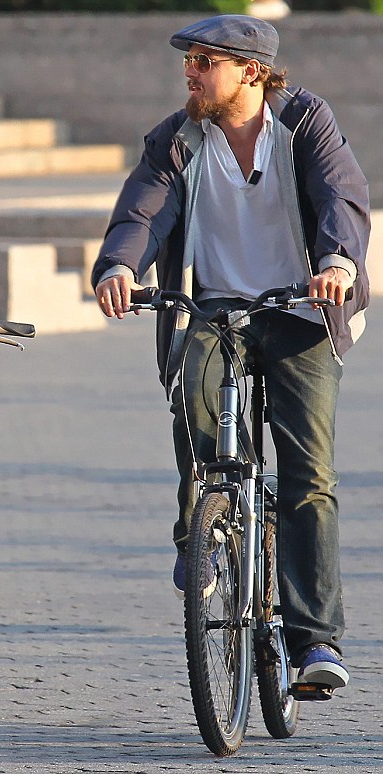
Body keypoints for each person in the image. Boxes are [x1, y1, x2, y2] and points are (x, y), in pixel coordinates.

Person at [92, 15, 370, 691]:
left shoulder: (305, 122)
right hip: (215, 309)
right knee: (192, 404)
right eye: (188, 60)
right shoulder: (177, 138)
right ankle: (203, 532)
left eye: (205, 61)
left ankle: (315, 642)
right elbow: (142, 212)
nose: (190, 72)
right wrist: (120, 266)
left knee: (309, 477)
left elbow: (341, 196)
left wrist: (337, 261)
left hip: (300, 310)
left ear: (252, 71)